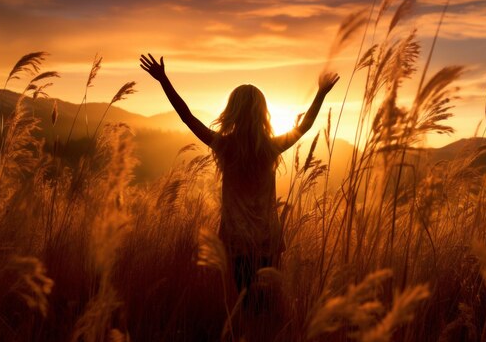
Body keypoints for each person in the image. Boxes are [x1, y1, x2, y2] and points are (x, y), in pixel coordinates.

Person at [140, 53, 339, 291]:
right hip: (268, 239)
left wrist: (164, 80)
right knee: (266, 305)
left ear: (232, 111)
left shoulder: (224, 146)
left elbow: (187, 117)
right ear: (261, 113)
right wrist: (320, 93)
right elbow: (304, 126)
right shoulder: (270, 147)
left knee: (245, 301)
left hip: (237, 241)